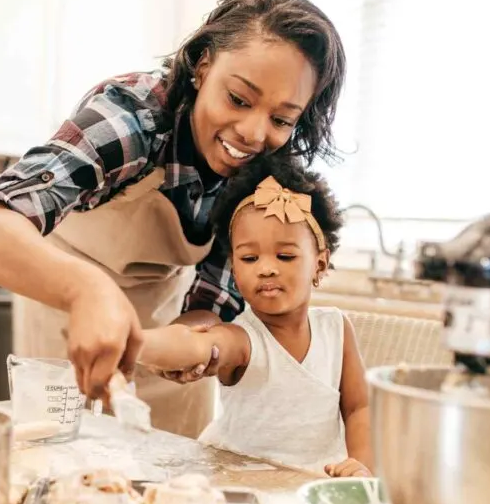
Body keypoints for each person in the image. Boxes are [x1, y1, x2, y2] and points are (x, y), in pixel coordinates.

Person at [0, 0, 346, 438]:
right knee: (62, 464)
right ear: (203, 64)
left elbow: (212, 302)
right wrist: (87, 292)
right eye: (238, 99)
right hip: (63, 297)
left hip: (166, 314)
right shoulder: (134, 119)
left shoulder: (265, 176)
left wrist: (188, 342)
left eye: (281, 119)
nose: (253, 133)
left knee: (174, 481)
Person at [135, 154, 373, 476]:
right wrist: (134, 342)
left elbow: (359, 407)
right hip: (240, 484)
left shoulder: (337, 328)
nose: (266, 268)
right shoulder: (242, 338)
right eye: (249, 258)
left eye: (285, 255)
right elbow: (195, 345)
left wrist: (362, 468)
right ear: (233, 270)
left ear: (319, 264)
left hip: (316, 480)